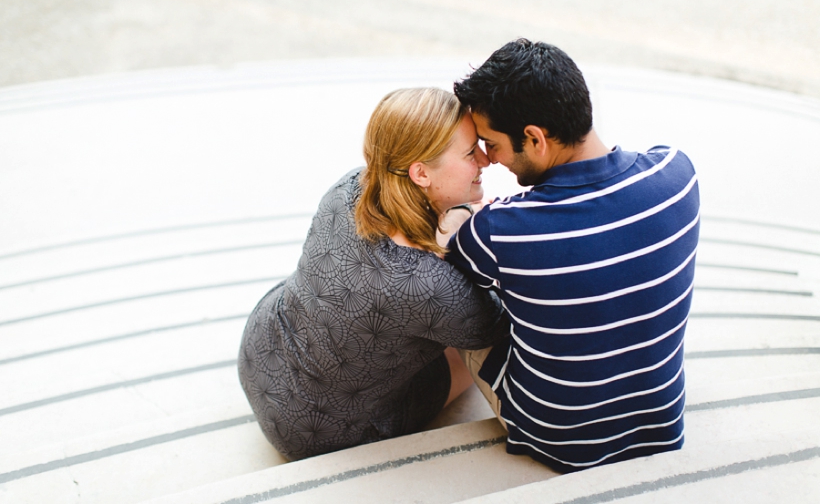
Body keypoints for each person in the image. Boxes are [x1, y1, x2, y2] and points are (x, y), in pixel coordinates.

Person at [447, 39, 700, 473]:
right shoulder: (677, 174)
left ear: (534, 138)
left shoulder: (498, 231)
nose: (488, 160)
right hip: (660, 424)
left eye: (491, 143)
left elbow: (449, 270)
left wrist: (458, 217)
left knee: (456, 300)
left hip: (560, 439)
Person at [238, 87, 508, 461]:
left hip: (262, 353)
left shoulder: (351, 185)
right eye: (469, 153)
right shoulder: (429, 288)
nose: (485, 159)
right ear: (420, 173)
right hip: (316, 432)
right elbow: (494, 325)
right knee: (469, 348)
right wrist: (468, 230)